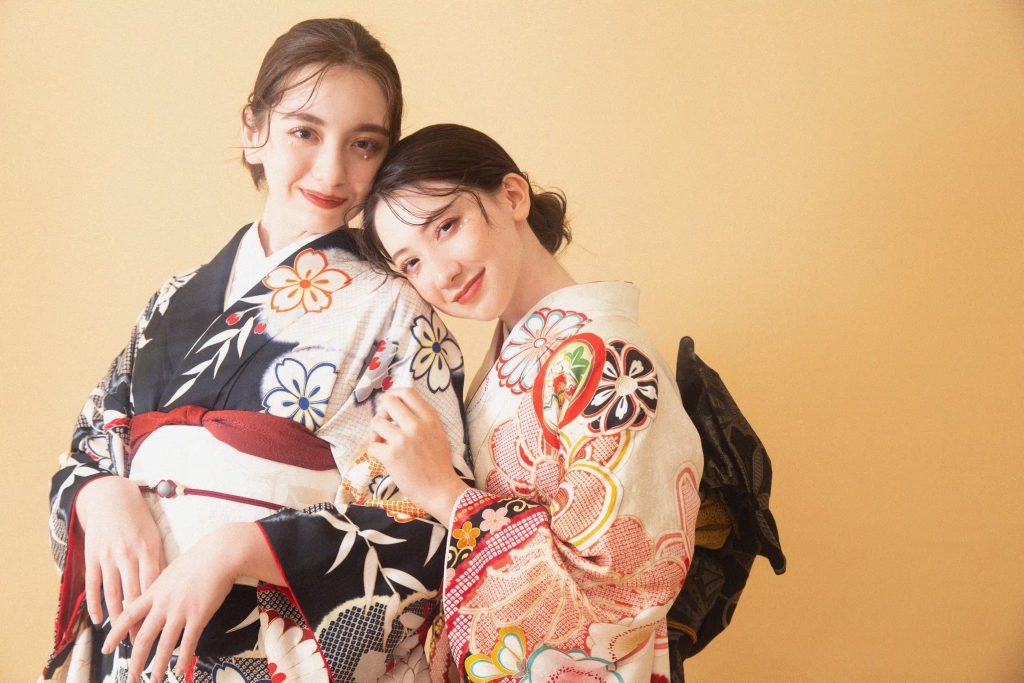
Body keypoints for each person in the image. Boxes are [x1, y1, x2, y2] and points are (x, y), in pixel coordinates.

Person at [44, 20, 469, 683]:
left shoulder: (395, 310)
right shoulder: (173, 298)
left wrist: (240, 548)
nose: (332, 170)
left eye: (363, 144)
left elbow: (424, 524)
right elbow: (89, 448)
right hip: (130, 631)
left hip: (259, 647)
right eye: (305, 132)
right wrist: (99, 493)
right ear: (254, 129)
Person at [359, 124, 704, 682]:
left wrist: (446, 495)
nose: (442, 273)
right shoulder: (514, 359)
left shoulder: (610, 360)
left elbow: (616, 591)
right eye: (412, 263)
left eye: (446, 226)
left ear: (513, 196)